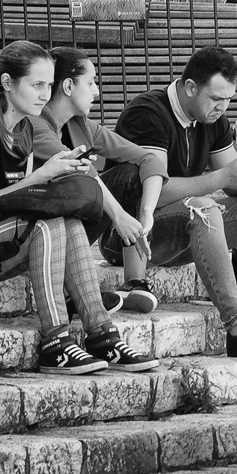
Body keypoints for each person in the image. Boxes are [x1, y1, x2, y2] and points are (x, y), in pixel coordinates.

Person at [0, 40, 158, 374]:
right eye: (37, 85)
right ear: (7, 83)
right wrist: (41, 174)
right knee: (46, 226)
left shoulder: (22, 127)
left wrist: (58, 174)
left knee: (65, 219)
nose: (44, 95)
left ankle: (101, 335)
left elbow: (13, 200)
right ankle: (56, 342)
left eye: (48, 86)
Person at [97, 46, 237, 357]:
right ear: (189, 88)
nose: (222, 108)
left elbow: (231, 177)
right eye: (215, 99)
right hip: (131, 236)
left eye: (228, 100)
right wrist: (222, 178)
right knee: (203, 205)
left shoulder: (213, 117)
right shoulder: (147, 114)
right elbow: (151, 191)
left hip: (188, 227)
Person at [30, 47, 166, 315]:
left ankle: (133, 284)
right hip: (40, 234)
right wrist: (119, 217)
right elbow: (82, 171)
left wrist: (145, 216)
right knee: (85, 182)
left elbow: (149, 160)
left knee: (129, 174)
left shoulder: (80, 125)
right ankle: (78, 297)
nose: (97, 92)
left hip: (73, 225)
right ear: (68, 86)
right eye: (91, 82)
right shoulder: (33, 123)